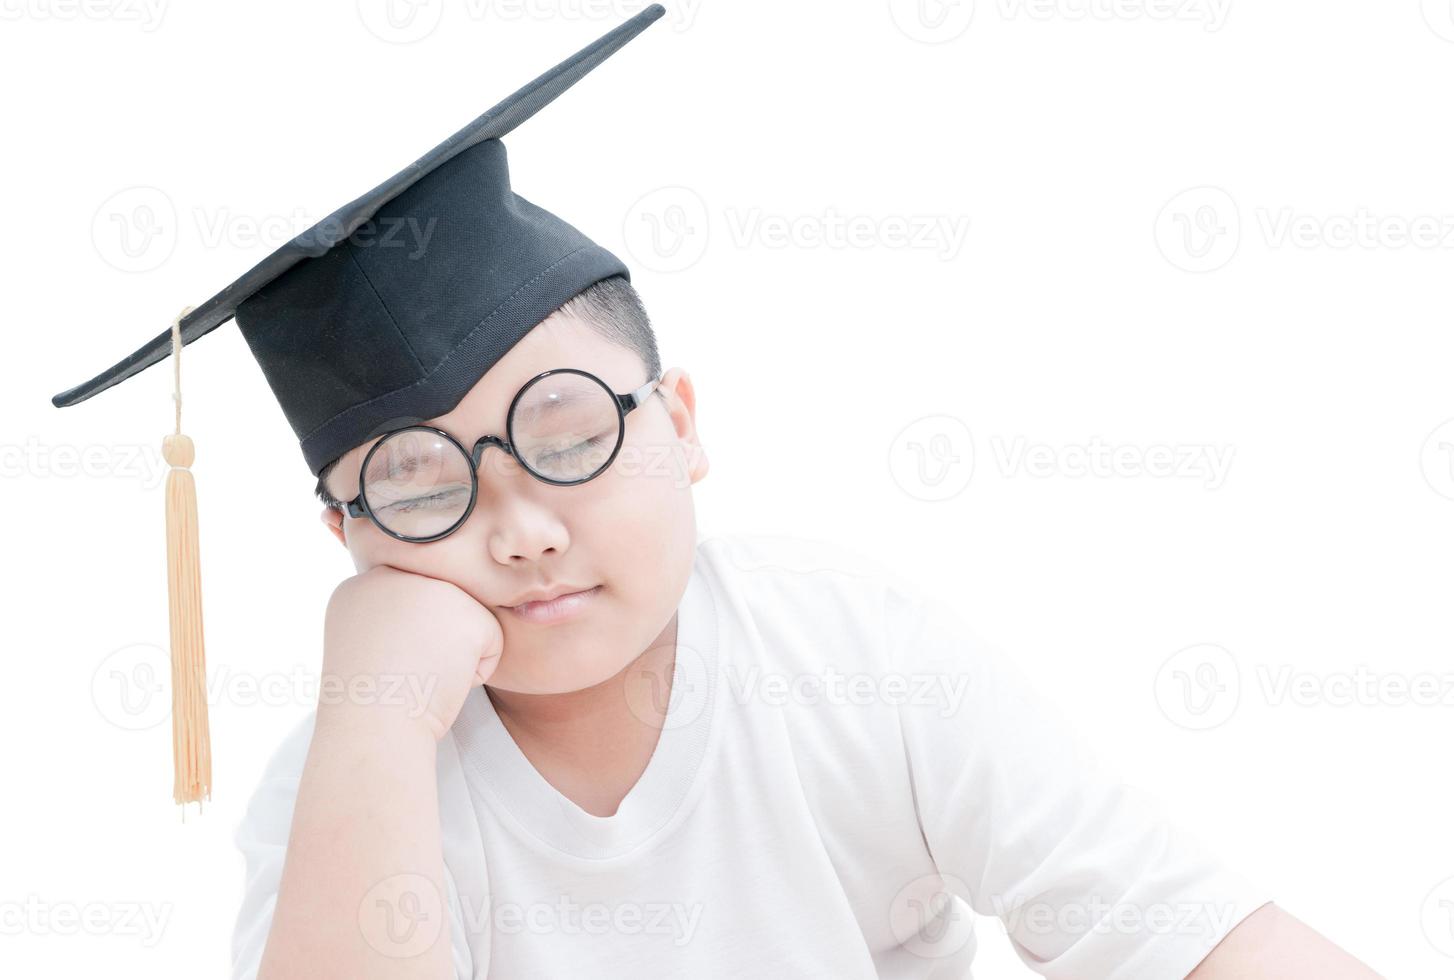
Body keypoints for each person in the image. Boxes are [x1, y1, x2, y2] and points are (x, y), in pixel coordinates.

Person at [48, 7, 1383, 978]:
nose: (518, 529)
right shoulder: (350, 782)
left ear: (678, 424)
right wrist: (377, 722)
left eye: (563, 433)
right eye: (416, 486)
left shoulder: (851, 655)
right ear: (346, 541)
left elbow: (1188, 936)